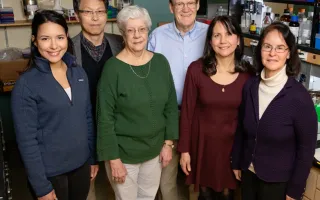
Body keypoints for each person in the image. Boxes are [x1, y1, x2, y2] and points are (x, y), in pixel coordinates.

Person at [96, 5, 179, 200]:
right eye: (130, 30)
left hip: (154, 151)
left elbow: (170, 106)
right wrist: (113, 159)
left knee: (147, 197)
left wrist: (168, 143)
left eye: (141, 29)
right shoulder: (112, 69)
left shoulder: (160, 62)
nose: (137, 35)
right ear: (123, 34)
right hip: (124, 156)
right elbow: (105, 118)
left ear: (148, 31)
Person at [11, 10, 95, 200]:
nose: (54, 45)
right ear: (34, 40)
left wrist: (91, 158)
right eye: (45, 38)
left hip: (81, 166)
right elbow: (27, 142)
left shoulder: (79, 73)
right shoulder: (27, 84)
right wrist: (41, 187)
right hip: (51, 174)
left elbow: (87, 118)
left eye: (59, 37)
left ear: (67, 37)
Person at [231, 22, 318, 200]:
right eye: (267, 46)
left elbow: (305, 150)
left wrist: (294, 190)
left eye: (280, 48)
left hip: (278, 183)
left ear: (288, 53)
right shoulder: (250, 86)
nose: (272, 53)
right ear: (260, 49)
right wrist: (237, 161)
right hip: (249, 173)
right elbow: (241, 129)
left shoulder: (299, 98)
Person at [178, 16, 255, 200]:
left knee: (228, 194)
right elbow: (187, 113)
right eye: (217, 35)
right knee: (204, 194)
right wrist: (184, 151)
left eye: (229, 34)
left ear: (238, 40)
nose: (223, 41)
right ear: (210, 41)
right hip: (203, 146)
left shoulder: (248, 75)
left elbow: (250, 119)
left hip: (232, 149)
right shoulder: (196, 70)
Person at [147, 0, 208, 199]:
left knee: (197, 176)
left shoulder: (211, 34)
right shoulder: (157, 36)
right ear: (171, 7)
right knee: (166, 177)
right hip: (167, 116)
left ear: (198, 5)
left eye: (190, 2)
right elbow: (147, 76)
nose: (185, 8)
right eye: (179, 3)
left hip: (200, 116)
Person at [72, 0, 123, 199]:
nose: (95, 17)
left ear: (107, 14)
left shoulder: (121, 42)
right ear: (77, 15)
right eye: (88, 12)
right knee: (86, 189)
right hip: (82, 129)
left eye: (100, 11)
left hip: (116, 128)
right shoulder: (66, 48)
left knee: (122, 185)